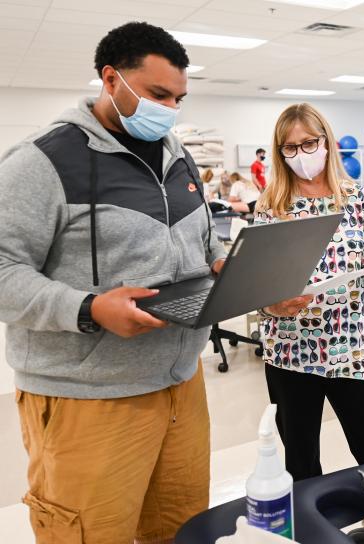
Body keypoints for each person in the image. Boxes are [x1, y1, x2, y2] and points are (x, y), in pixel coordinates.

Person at [0, 22, 228, 542]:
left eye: (179, 98)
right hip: (89, 398)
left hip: (179, 385)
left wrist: (221, 265)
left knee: (182, 528)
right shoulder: (41, 161)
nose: (170, 109)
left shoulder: (177, 154)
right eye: (158, 95)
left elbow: (202, 239)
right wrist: (88, 308)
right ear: (111, 79)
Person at [252, 103, 364, 481]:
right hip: (290, 352)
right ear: (279, 152)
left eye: (309, 143)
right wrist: (274, 306)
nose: (301, 154)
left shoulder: (359, 199)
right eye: (290, 148)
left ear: (327, 143)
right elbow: (257, 291)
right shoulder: (271, 207)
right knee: (301, 463)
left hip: (350, 346)